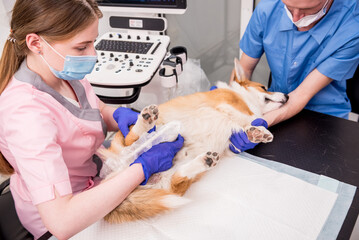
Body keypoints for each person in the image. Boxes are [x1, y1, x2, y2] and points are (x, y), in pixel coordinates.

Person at [0, 0, 183, 239]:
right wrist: (143, 168)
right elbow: (61, 222)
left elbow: (91, 107)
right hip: (68, 215)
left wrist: (115, 115)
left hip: (93, 177)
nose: (93, 55)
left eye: (93, 43)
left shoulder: (59, 70)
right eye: (82, 47)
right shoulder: (25, 114)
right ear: (36, 43)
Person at [239, 0, 359, 127]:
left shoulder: (352, 26)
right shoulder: (268, 8)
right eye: (289, 8)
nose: (295, 18)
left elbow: (302, 94)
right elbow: (244, 70)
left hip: (324, 119)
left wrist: (258, 125)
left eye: (307, 10)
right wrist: (230, 103)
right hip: (276, 105)